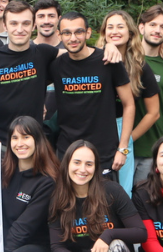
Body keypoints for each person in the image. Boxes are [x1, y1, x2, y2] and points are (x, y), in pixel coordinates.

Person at [50, 13, 133, 173]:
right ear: (59, 35)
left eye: (78, 32)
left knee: (104, 198)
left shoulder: (108, 61)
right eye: (67, 33)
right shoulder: (55, 65)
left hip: (104, 153)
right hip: (68, 152)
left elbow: (129, 104)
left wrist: (123, 149)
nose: (73, 38)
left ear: (88, 33)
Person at [0, 117, 60, 252]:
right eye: (14, 138)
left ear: (37, 140)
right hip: (3, 241)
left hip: (35, 247)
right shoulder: (2, 170)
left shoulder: (47, 181)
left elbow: (24, 227)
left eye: (26, 137)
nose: (19, 143)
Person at [0, 1, 60, 141]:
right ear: (5, 26)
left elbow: (74, 54)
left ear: (34, 25)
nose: (20, 29)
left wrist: (109, 49)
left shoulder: (43, 53)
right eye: (14, 23)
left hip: (33, 141)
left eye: (26, 23)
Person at [98, 11, 153, 192]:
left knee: (123, 189)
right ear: (104, 32)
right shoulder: (95, 60)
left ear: (130, 33)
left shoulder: (140, 66)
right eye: (110, 27)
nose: (115, 31)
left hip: (124, 129)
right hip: (95, 126)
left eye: (120, 27)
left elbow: (154, 112)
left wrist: (128, 140)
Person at [135, 5, 163, 183]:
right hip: (121, 145)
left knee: (145, 200)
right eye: (152, 25)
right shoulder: (125, 57)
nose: (157, 31)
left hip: (153, 147)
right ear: (141, 27)